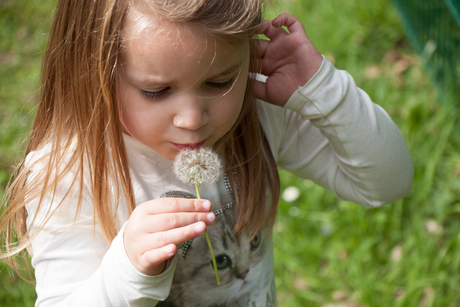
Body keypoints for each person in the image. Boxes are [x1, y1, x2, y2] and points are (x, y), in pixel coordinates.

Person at [0, 0, 413, 306]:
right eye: (156, 91)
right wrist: (127, 270)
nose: (193, 118)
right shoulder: (71, 175)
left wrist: (324, 92)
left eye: (219, 82)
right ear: (92, 73)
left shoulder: (255, 115)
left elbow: (387, 183)